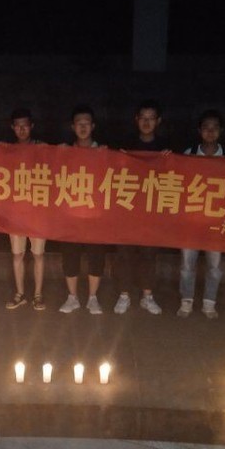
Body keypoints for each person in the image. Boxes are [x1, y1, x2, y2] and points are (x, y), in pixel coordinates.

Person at [180, 109, 225, 319]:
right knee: (187, 264)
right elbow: (179, 182)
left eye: (214, 128)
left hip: (216, 220)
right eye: (206, 127)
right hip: (192, 219)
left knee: (214, 265)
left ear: (221, 130)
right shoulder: (190, 152)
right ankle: (186, 301)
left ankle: (209, 303)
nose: (210, 132)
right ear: (199, 130)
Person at [113, 100, 167, 316]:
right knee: (124, 254)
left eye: (151, 118)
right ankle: (124, 295)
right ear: (136, 120)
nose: (146, 122)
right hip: (127, 210)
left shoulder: (165, 148)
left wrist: (169, 161)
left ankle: (147, 296)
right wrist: (118, 158)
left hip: (151, 212)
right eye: (143, 118)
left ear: (158, 121)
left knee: (149, 255)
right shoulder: (124, 145)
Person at [59, 104, 106, 315]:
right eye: (79, 123)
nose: (83, 127)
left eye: (87, 123)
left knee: (96, 257)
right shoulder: (65, 152)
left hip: (95, 215)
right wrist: (57, 154)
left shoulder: (104, 152)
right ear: (73, 127)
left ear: (93, 126)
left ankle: (93, 298)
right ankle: (73, 297)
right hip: (71, 214)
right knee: (70, 256)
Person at [5, 108, 46, 311]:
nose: (22, 129)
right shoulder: (6, 151)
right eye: (18, 126)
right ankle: (20, 294)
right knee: (17, 254)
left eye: (25, 125)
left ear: (32, 127)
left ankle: (38, 295)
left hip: (38, 211)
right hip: (16, 212)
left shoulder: (42, 148)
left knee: (38, 255)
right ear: (13, 128)